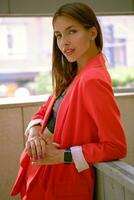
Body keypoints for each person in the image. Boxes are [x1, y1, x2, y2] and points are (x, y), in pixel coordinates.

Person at [11, 2, 127, 200]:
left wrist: (63, 155)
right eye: (58, 35)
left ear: (92, 32)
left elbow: (115, 146)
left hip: (62, 185)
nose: (64, 42)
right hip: (41, 177)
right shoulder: (73, 74)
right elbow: (44, 111)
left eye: (71, 31)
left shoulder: (93, 80)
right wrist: (34, 133)